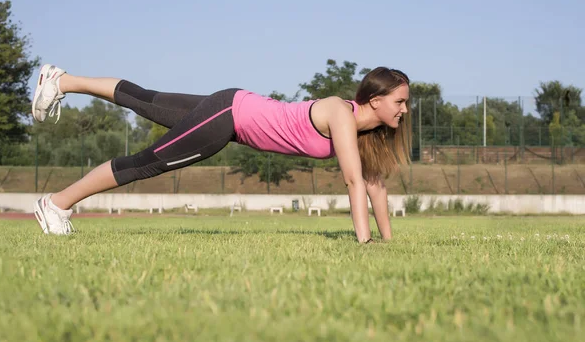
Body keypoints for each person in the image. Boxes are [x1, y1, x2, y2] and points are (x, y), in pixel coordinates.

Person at [31, 64, 411, 243]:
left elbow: (374, 185)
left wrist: (388, 241)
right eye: (400, 102)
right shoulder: (340, 112)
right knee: (147, 162)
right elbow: (352, 180)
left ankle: (60, 80)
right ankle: (57, 204)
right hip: (228, 118)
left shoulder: (368, 133)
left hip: (232, 107)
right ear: (375, 101)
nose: (404, 110)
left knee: (147, 100)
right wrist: (364, 242)